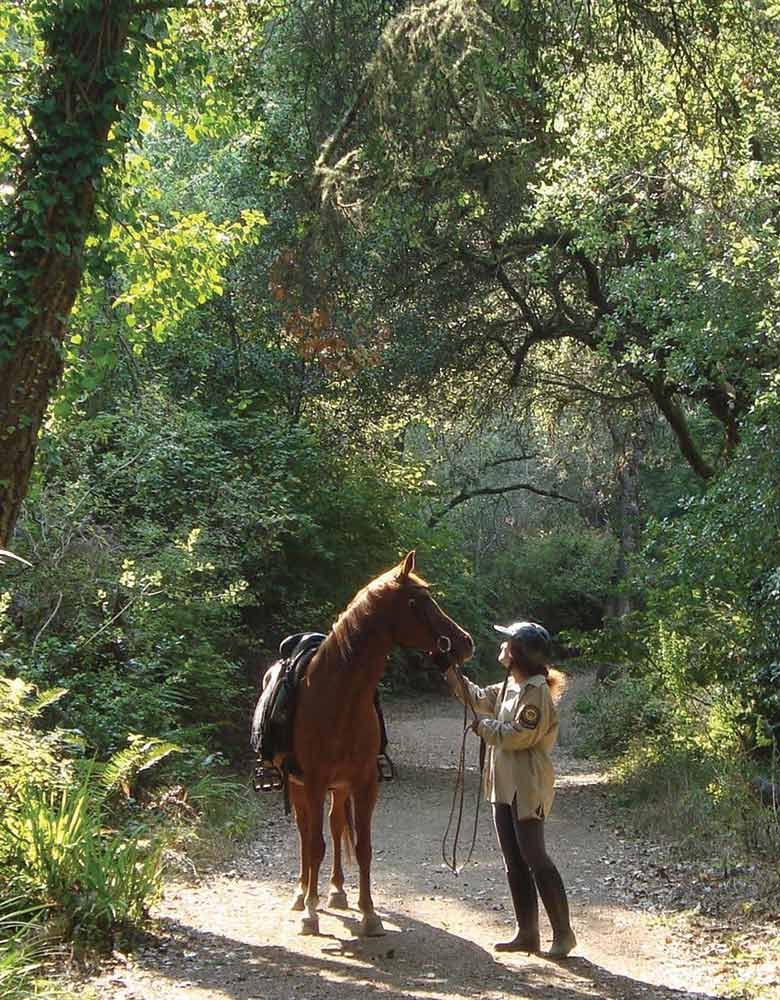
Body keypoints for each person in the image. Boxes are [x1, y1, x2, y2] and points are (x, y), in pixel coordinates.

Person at [438, 620, 577, 957]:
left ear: (518, 653)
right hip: (502, 784)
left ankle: (563, 934)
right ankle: (527, 933)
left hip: (527, 783)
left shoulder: (536, 692)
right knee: (514, 859)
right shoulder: (509, 685)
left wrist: (483, 727)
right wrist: (448, 668)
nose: (501, 646)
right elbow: (475, 697)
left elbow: (519, 735)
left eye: (507, 642)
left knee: (534, 856)